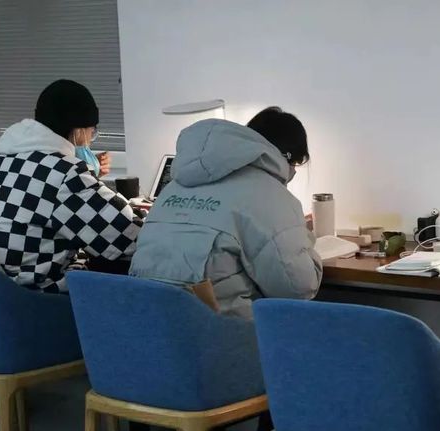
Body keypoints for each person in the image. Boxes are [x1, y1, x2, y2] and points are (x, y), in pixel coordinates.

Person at [130, 107, 323, 318]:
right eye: (296, 163)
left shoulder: (173, 188)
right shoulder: (271, 195)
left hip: (145, 323)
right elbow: (298, 289)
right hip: (218, 331)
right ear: (286, 157)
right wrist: (304, 238)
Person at [0, 79, 142, 293]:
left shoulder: (0, 160)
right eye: (92, 132)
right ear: (78, 130)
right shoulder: (65, 172)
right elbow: (126, 238)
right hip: (35, 298)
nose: (90, 140)